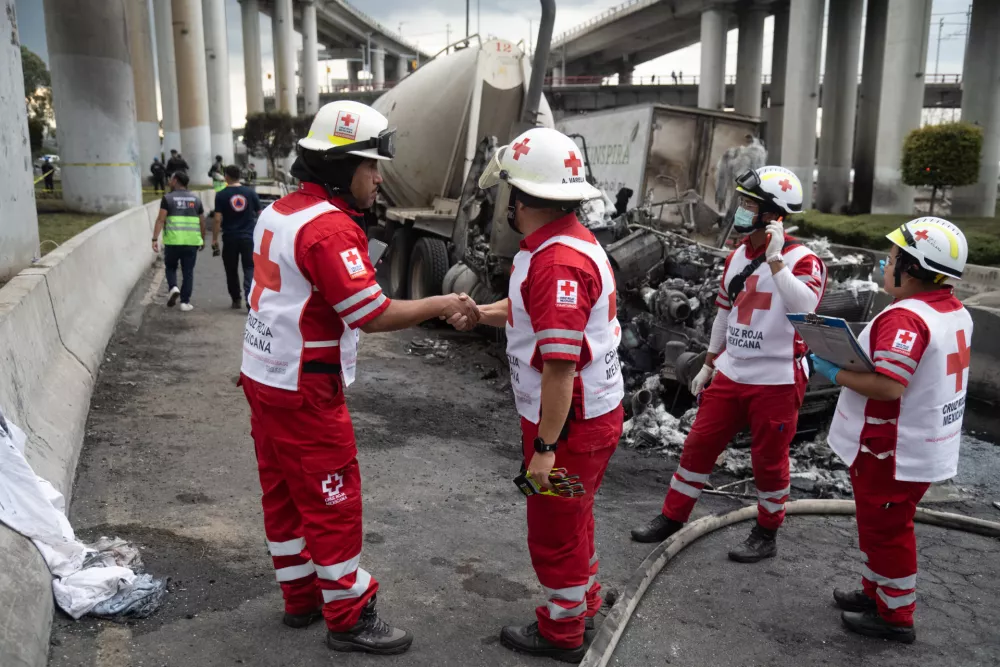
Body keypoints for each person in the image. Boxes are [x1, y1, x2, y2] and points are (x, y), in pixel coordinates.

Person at [239, 99, 480, 656]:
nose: (379, 178)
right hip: (305, 388)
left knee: (283, 494)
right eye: (371, 165)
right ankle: (348, 616)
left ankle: (301, 597)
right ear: (341, 168)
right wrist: (440, 301)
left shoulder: (281, 212)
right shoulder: (329, 231)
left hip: (264, 378)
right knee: (332, 500)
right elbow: (370, 315)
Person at [459, 127, 624, 662]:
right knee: (573, 514)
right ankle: (585, 600)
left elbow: (559, 369)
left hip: (566, 424)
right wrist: (483, 313)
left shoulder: (556, 264)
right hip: (580, 417)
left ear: (522, 198)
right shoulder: (562, 244)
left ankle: (562, 630)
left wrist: (545, 450)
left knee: (551, 525)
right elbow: (534, 310)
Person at [630, 166, 828, 562]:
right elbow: (724, 313)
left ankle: (766, 532)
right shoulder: (737, 256)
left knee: (768, 463)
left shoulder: (806, 261)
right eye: (741, 201)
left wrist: (775, 261)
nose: (740, 209)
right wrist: (708, 364)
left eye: (749, 203)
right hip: (732, 372)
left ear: (773, 214)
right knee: (698, 446)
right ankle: (672, 517)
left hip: (776, 381)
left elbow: (806, 307)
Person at [812, 217, 972, 644]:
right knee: (878, 523)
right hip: (922, 444)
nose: (885, 264)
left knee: (888, 529)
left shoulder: (906, 319)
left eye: (892, 258)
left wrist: (833, 372)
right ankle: (875, 591)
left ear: (913, 268)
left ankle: (896, 617)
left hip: (891, 447)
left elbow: (888, 385)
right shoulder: (951, 309)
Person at [152, 170, 206, 311]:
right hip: (192, 242)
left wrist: (154, 238)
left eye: (170, 179)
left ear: (175, 180)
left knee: (170, 267)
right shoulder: (196, 200)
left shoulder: (168, 199)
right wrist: (203, 239)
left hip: (173, 241)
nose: (169, 181)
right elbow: (202, 222)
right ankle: (185, 302)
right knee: (188, 272)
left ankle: (173, 288)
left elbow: (160, 220)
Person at [213, 164, 263, 309]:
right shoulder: (250, 193)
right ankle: (249, 298)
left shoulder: (221, 195)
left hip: (230, 238)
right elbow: (260, 215)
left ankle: (236, 298)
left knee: (231, 269)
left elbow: (217, 219)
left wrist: (214, 239)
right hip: (248, 237)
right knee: (249, 268)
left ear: (226, 176)